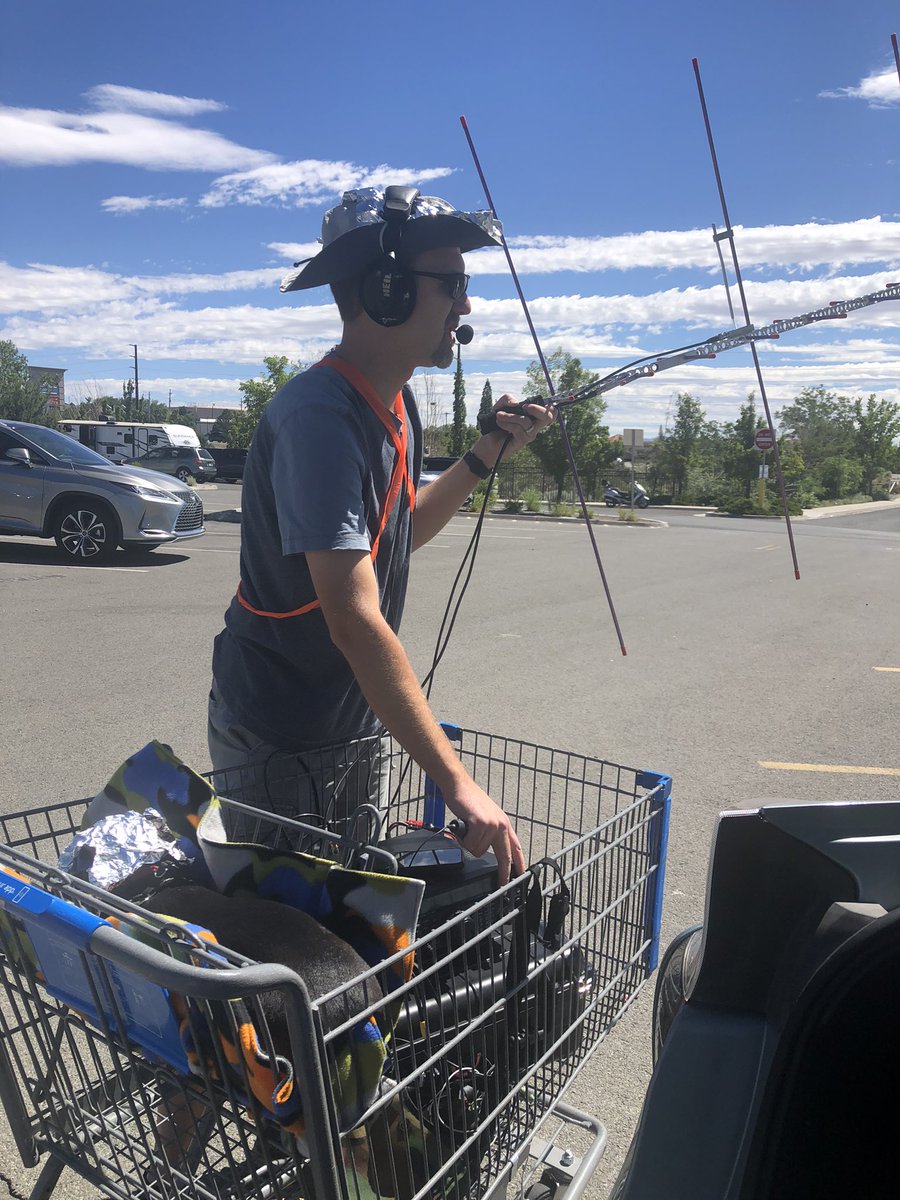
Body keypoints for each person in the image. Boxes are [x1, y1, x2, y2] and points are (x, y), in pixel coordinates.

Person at [209, 186, 552, 882]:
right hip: (282, 731)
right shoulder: (321, 419)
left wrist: (485, 455)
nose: (465, 306)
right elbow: (354, 615)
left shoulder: (393, 402)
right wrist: (455, 779)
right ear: (387, 291)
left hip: (348, 721)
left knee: (354, 908)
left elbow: (398, 533)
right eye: (452, 285)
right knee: (291, 930)